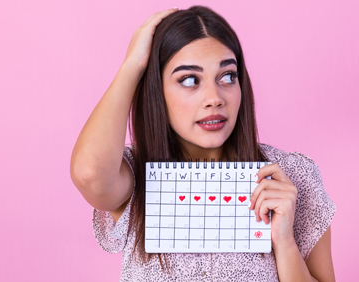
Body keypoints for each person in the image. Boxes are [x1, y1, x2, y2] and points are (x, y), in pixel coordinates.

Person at [70, 5, 336, 281]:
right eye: (189, 80)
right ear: (157, 92)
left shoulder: (293, 177)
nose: (215, 98)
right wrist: (132, 66)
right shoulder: (133, 177)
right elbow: (89, 173)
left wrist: (285, 244)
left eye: (227, 77)